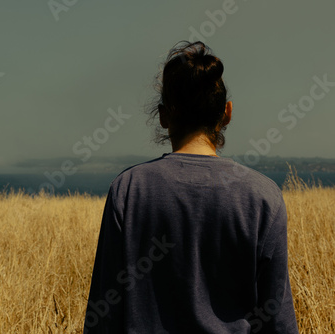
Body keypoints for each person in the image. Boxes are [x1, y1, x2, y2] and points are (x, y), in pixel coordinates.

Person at [83, 41, 299, 333]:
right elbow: (278, 319)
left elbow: (104, 313)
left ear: (162, 116)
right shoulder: (262, 196)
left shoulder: (128, 189)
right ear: (226, 113)